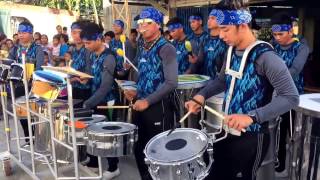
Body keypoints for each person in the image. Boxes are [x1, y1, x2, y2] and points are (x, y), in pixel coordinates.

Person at [185, 1, 299, 179]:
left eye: (225, 29)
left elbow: (291, 97)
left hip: (253, 137)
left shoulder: (266, 57)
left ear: (243, 26)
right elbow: (222, 81)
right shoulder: (230, 51)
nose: (221, 35)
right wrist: (201, 95)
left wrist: (251, 116)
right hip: (227, 131)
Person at [124, 7, 178, 180]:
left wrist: (147, 101)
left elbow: (171, 82)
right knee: (140, 148)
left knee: (158, 150)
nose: (143, 26)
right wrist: (136, 91)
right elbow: (145, 74)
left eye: (148, 23)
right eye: (140, 23)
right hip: (140, 103)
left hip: (158, 106)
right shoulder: (143, 45)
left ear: (158, 26)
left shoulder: (166, 48)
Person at [271, 12, 310, 176]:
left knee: (296, 134)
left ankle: (298, 166)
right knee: (278, 131)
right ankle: (279, 166)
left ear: (290, 31)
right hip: (274, 96)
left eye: (281, 34)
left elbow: (294, 70)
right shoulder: (272, 47)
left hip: (295, 96)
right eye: (275, 34)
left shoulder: (301, 47)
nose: (277, 37)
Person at [80, 22, 120, 179]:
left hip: (107, 101)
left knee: (108, 135)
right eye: (84, 43)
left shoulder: (109, 57)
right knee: (94, 133)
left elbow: (105, 87)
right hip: (94, 98)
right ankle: (95, 161)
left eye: (88, 43)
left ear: (98, 39)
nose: (86, 46)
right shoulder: (91, 54)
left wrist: (87, 104)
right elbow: (91, 75)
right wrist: (84, 80)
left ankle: (113, 167)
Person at [8, 21, 44, 147]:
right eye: (19, 32)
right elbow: (9, 64)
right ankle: (29, 139)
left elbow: (39, 68)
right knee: (22, 114)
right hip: (18, 86)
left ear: (31, 33)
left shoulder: (38, 49)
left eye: (24, 32)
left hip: (33, 86)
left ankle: (40, 140)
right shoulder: (15, 49)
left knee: (36, 115)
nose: (21, 35)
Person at [189, 9, 228, 78]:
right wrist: (195, 61)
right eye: (208, 18)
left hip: (219, 83)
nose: (209, 21)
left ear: (221, 20)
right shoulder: (205, 39)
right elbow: (201, 61)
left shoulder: (225, 40)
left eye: (212, 18)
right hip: (205, 80)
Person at [68, 20, 92, 108]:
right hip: (73, 88)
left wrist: (74, 79)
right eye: (74, 33)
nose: (77, 36)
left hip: (85, 90)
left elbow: (89, 73)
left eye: (80, 32)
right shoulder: (72, 49)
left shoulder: (88, 49)